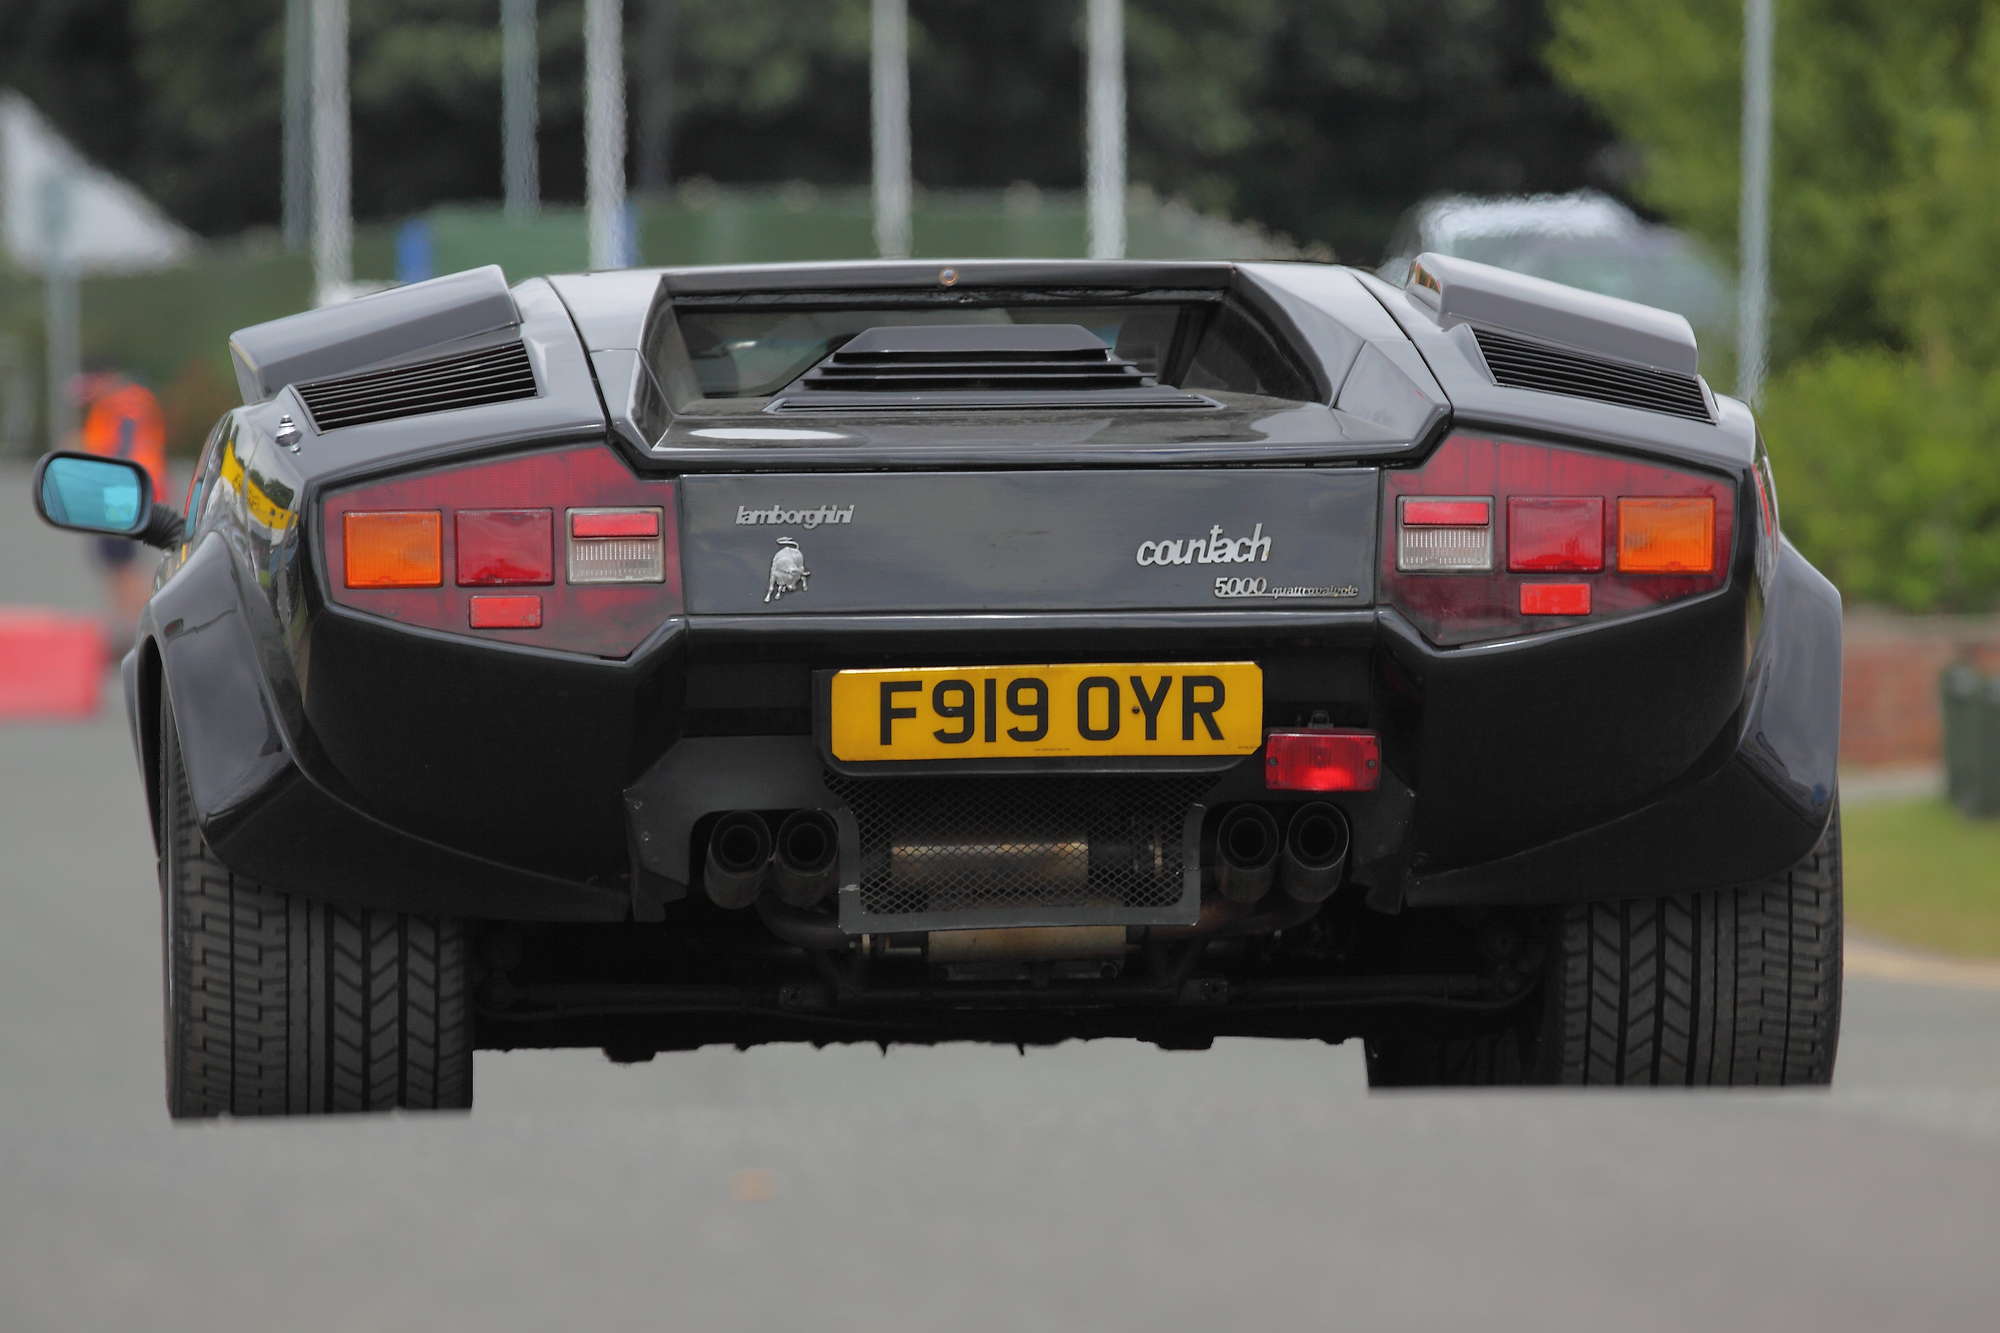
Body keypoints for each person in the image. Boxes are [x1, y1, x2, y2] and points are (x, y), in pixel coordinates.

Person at [72, 368, 169, 630]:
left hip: (122, 490)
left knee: (122, 565)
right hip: (130, 488)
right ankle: (134, 624)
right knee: (118, 563)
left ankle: (144, 625)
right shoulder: (125, 401)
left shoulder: (124, 403)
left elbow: (122, 449)